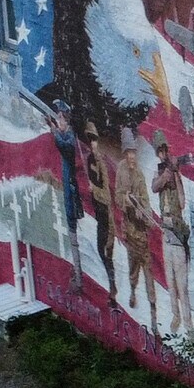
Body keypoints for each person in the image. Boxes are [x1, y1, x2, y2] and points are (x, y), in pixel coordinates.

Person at [115, 128, 160, 334]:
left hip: (141, 231)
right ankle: (133, 291)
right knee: (133, 270)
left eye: (134, 152)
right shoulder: (121, 170)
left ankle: (153, 316)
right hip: (130, 232)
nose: (132, 156)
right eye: (129, 153)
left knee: (149, 272)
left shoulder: (140, 174)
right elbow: (118, 197)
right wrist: (127, 202)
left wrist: (145, 213)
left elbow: (145, 199)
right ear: (125, 153)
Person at [151, 133, 193, 336]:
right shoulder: (159, 174)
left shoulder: (175, 177)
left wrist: (175, 174)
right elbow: (154, 187)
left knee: (182, 285)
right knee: (170, 282)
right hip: (165, 232)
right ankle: (175, 316)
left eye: (164, 151)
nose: (162, 154)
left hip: (176, 232)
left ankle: (188, 323)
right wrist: (166, 174)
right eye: (159, 152)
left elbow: (183, 203)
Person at [80, 120, 117, 299]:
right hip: (98, 215)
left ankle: (113, 287)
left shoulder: (101, 162)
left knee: (106, 252)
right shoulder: (89, 160)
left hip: (106, 216)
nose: (92, 144)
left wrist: (93, 189)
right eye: (89, 140)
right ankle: (113, 286)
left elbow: (106, 195)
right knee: (102, 251)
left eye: (94, 140)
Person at [48, 101, 80, 249]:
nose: (59, 120)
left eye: (61, 117)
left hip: (71, 186)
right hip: (67, 185)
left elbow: (64, 146)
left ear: (66, 120)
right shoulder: (65, 135)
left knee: (71, 218)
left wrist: (55, 131)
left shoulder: (70, 136)